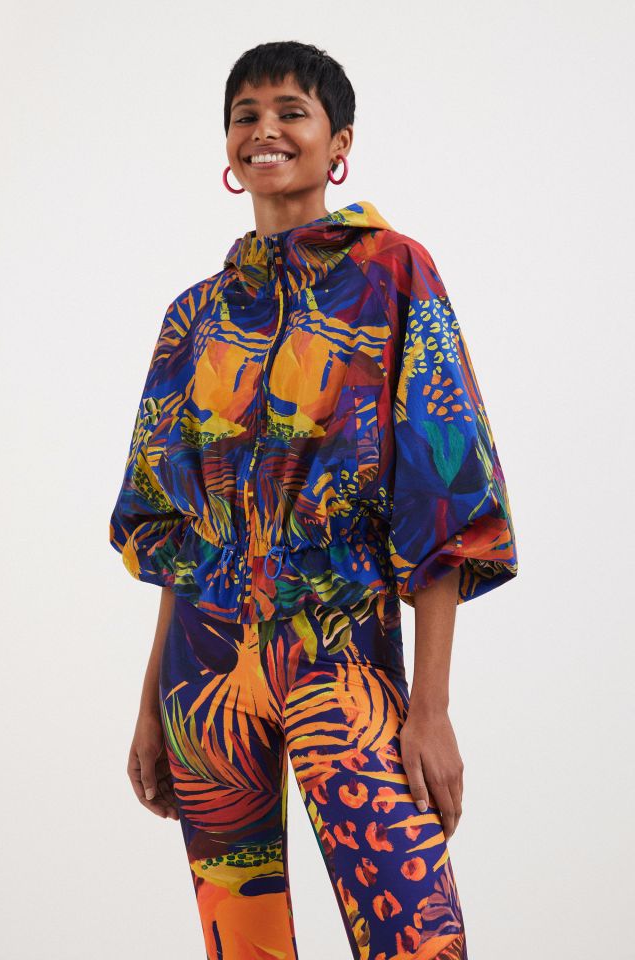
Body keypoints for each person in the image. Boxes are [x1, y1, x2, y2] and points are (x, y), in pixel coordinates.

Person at [109, 40, 518, 960]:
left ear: (339, 144)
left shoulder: (393, 273)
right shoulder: (193, 317)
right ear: (227, 145)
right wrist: (149, 704)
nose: (266, 129)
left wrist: (431, 708)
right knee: (242, 943)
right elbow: (179, 533)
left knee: (418, 938)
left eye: (291, 111)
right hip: (203, 666)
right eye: (246, 115)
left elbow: (442, 498)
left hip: (342, 649)